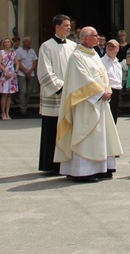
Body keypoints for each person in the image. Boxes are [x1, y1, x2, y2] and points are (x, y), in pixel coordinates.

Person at [54, 27, 123, 183]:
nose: (98, 38)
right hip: (85, 104)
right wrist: (100, 93)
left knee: (100, 137)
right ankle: (83, 171)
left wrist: (108, 89)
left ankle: (101, 167)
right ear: (85, 38)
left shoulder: (94, 55)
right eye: (95, 35)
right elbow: (82, 80)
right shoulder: (77, 57)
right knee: (86, 136)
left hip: (101, 102)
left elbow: (102, 74)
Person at [37, 14, 77, 173]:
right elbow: (44, 71)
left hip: (70, 94)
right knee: (52, 129)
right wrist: (60, 87)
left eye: (70, 25)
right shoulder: (46, 46)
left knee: (69, 128)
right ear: (57, 27)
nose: (69, 27)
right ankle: (50, 165)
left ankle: (67, 163)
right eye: (66, 25)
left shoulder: (74, 46)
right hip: (55, 95)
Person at [15, 36, 38, 117]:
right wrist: (25, 71)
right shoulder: (19, 51)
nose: (29, 43)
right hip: (22, 74)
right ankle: (22, 109)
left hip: (30, 73)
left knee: (28, 92)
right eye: (27, 41)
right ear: (24, 42)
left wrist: (30, 71)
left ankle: (26, 106)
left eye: (30, 41)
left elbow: (35, 62)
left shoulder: (32, 51)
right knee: (23, 91)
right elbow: (18, 62)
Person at [101, 39, 123, 124]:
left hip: (117, 90)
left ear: (117, 49)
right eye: (108, 46)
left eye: (113, 46)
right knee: (107, 117)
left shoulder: (117, 63)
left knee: (114, 116)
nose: (110, 48)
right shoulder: (101, 61)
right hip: (107, 91)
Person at [0, 37, 18, 120]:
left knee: (10, 95)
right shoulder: (1, 52)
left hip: (12, 75)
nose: (6, 44)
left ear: (11, 43)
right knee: (4, 94)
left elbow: (17, 63)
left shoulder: (13, 53)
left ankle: (7, 112)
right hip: (5, 75)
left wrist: (16, 72)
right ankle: (3, 113)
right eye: (5, 42)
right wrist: (5, 71)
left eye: (8, 42)